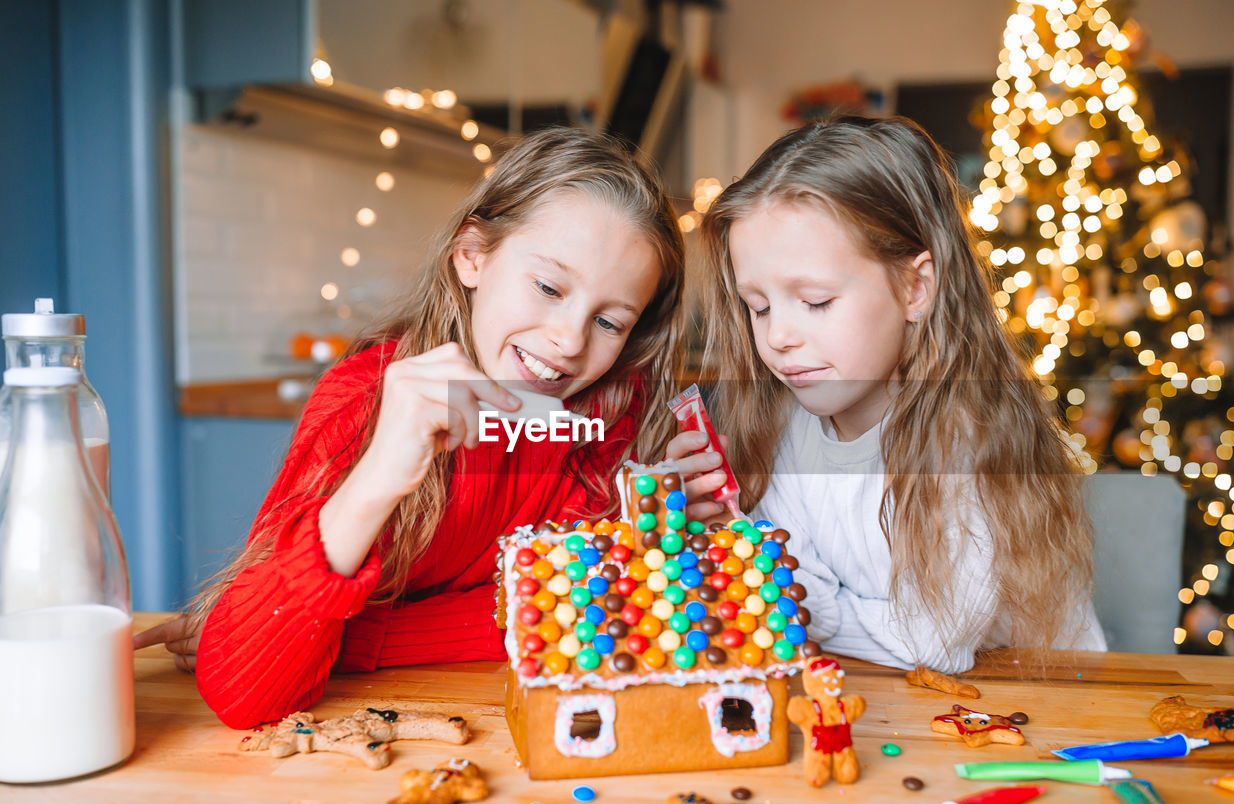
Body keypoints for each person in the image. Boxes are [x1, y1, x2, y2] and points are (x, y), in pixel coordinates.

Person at [135, 128, 688, 728]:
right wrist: (377, 476)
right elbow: (244, 692)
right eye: (549, 288)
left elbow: (590, 614)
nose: (570, 340)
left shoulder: (604, 418)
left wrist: (343, 641)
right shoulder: (362, 408)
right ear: (471, 254)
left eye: (610, 321)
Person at [671, 116, 1105, 673]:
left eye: (817, 301)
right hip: (902, 700)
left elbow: (932, 642)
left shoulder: (971, 439)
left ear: (915, 288)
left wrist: (781, 591)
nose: (778, 335)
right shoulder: (785, 425)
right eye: (759, 306)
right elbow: (784, 567)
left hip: (1047, 709)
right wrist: (717, 530)